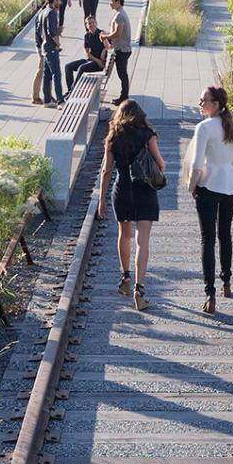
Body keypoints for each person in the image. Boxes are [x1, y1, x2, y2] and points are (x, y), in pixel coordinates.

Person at [97, 98, 165, 311]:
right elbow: (161, 163)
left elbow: (107, 171)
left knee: (124, 234)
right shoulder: (147, 134)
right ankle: (140, 289)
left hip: (123, 189)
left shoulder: (113, 137)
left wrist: (101, 200)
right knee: (142, 239)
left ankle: (125, 278)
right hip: (144, 190)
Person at [187, 86, 233, 313]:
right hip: (229, 185)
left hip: (209, 185)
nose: (200, 104)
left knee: (207, 240)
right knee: (225, 235)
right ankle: (227, 283)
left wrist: (192, 187)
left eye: (204, 101)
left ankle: (210, 294)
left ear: (216, 104)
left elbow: (196, 164)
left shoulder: (204, 128)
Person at [33, 0, 67, 106]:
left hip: (44, 47)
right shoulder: (52, 12)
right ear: (54, 0)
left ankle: (47, 100)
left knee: (47, 75)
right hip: (51, 48)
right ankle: (60, 101)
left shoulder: (43, 12)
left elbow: (41, 30)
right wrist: (57, 44)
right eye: (59, 0)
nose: (60, 2)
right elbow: (51, 32)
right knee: (56, 74)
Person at [103, 0, 136, 103]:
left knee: (122, 73)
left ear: (118, 2)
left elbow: (118, 33)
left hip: (122, 49)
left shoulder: (119, 16)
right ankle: (124, 95)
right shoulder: (120, 13)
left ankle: (124, 96)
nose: (110, 3)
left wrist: (105, 37)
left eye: (112, 1)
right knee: (122, 73)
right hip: (122, 48)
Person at [63, 17, 108, 92]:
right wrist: (97, 60)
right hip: (93, 61)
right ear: (86, 26)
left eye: (92, 22)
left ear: (96, 23)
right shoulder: (87, 36)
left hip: (99, 64)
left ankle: (73, 91)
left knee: (82, 68)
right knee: (68, 66)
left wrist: (104, 50)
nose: (91, 24)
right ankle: (70, 90)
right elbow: (87, 53)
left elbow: (110, 46)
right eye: (89, 23)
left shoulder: (102, 33)